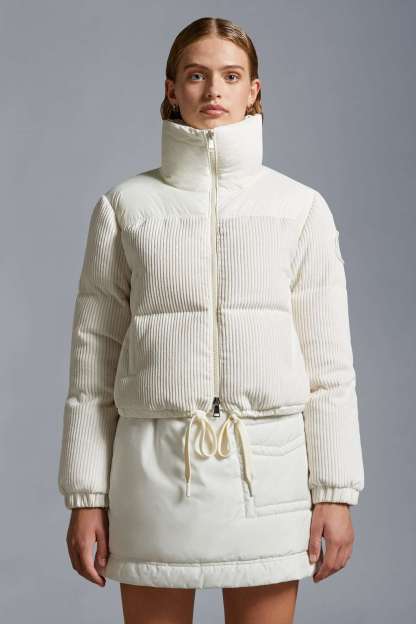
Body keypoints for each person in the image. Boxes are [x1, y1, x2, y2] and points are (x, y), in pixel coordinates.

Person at [58, 16, 365, 624]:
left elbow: (329, 367)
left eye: (231, 76)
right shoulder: (124, 208)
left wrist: (335, 493)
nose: (213, 90)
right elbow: (92, 368)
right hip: (154, 476)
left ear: (254, 90)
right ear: (172, 89)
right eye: (197, 76)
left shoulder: (300, 209)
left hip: (269, 478)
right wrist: (86, 496)